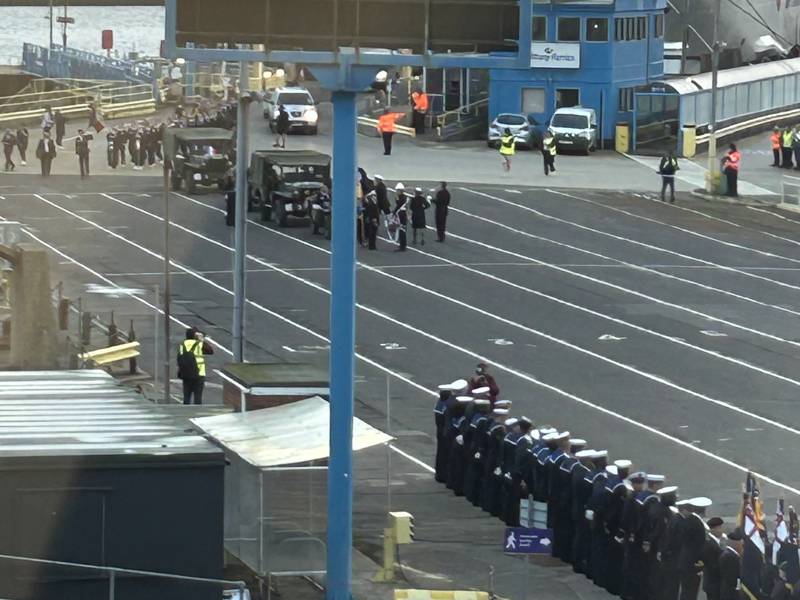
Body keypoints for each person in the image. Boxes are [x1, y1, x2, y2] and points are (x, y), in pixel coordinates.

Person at [677, 497, 712, 600]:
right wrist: (701, 562)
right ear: (703, 510)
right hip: (692, 564)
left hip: (684, 561)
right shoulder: (698, 524)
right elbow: (700, 546)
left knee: (686, 591)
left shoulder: (688, 520)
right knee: (690, 592)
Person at [177, 327, 214, 405]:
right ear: (195, 336)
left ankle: (185, 413)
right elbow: (210, 351)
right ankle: (196, 413)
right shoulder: (199, 344)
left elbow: (179, 357)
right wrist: (201, 339)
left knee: (186, 397)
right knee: (198, 397)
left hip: (185, 373)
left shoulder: (182, 344)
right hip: (199, 373)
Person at [702, 517, 726, 600]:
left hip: (713, 583)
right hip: (713, 583)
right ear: (714, 529)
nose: (722, 530)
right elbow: (712, 564)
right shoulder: (710, 544)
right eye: (721, 528)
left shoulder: (715, 542)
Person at [719, 529, 743, 600]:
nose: (742, 546)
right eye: (741, 543)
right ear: (736, 543)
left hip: (727, 590)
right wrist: (738, 588)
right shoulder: (732, 557)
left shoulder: (727, 553)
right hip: (731, 593)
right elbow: (733, 578)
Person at [393, 183, 409, 251]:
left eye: (397, 190)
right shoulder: (404, 197)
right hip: (403, 215)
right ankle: (402, 245)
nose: (396, 192)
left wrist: (393, 213)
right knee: (402, 231)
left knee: (402, 231)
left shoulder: (402, 198)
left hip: (402, 216)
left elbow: (399, 206)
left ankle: (402, 246)